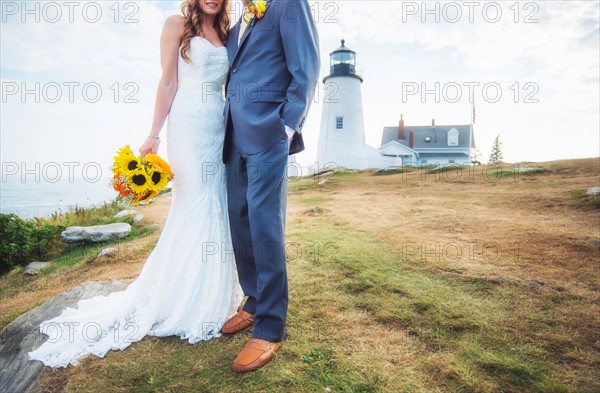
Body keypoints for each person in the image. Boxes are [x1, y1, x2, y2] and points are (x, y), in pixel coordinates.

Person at [28, 0, 243, 368]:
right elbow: (168, 80)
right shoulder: (176, 24)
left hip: (219, 124)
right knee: (193, 204)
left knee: (217, 203)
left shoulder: (229, 32)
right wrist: (153, 135)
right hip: (188, 125)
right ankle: (179, 297)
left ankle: (215, 293)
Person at [221, 0, 320, 372]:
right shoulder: (240, 18)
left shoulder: (287, 4)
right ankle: (254, 301)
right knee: (239, 217)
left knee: (265, 224)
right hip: (232, 136)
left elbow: (306, 68)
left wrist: (287, 126)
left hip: (268, 134)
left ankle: (270, 326)